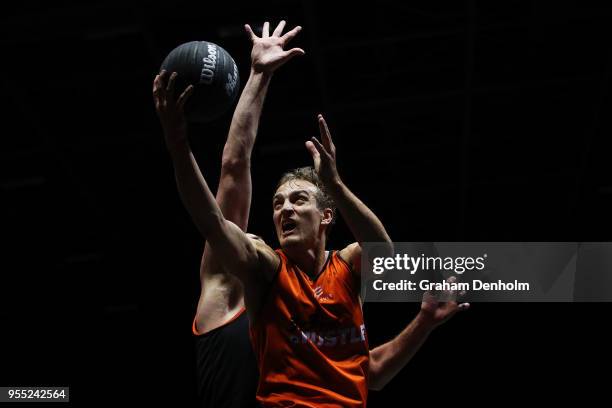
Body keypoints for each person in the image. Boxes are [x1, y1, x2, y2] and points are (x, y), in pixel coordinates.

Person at [154, 20, 469, 408]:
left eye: (298, 200)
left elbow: (369, 371)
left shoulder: (344, 275)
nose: (284, 209)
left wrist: (423, 323)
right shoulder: (247, 274)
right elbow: (231, 173)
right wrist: (182, 138)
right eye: (277, 203)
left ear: (325, 216)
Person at [154, 20, 304, 408]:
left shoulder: (313, 306)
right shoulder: (226, 288)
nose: (249, 237)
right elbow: (234, 166)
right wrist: (258, 75)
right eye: (276, 205)